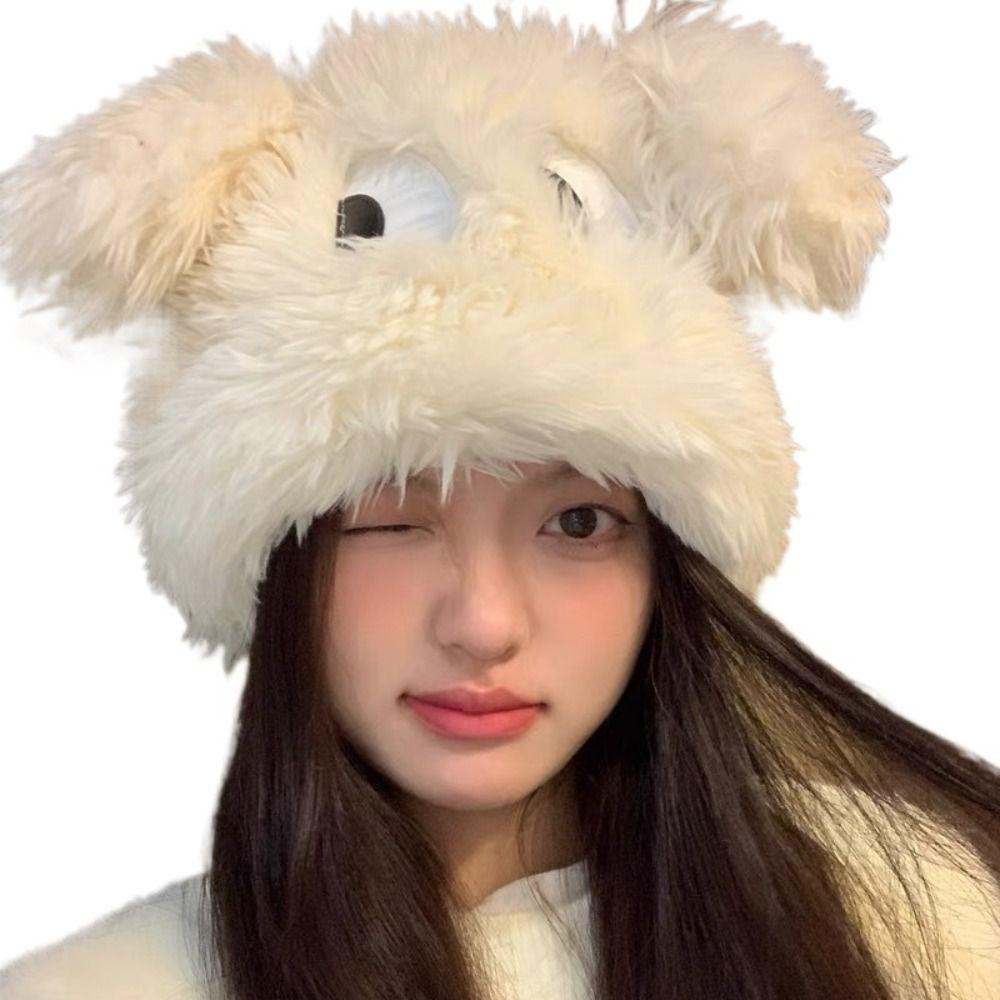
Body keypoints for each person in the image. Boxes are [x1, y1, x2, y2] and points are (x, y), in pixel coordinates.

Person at [1, 2, 998, 999]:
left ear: (667, 556)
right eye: (394, 517)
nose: (483, 624)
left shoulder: (917, 920)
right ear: (274, 555)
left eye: (578, 522)